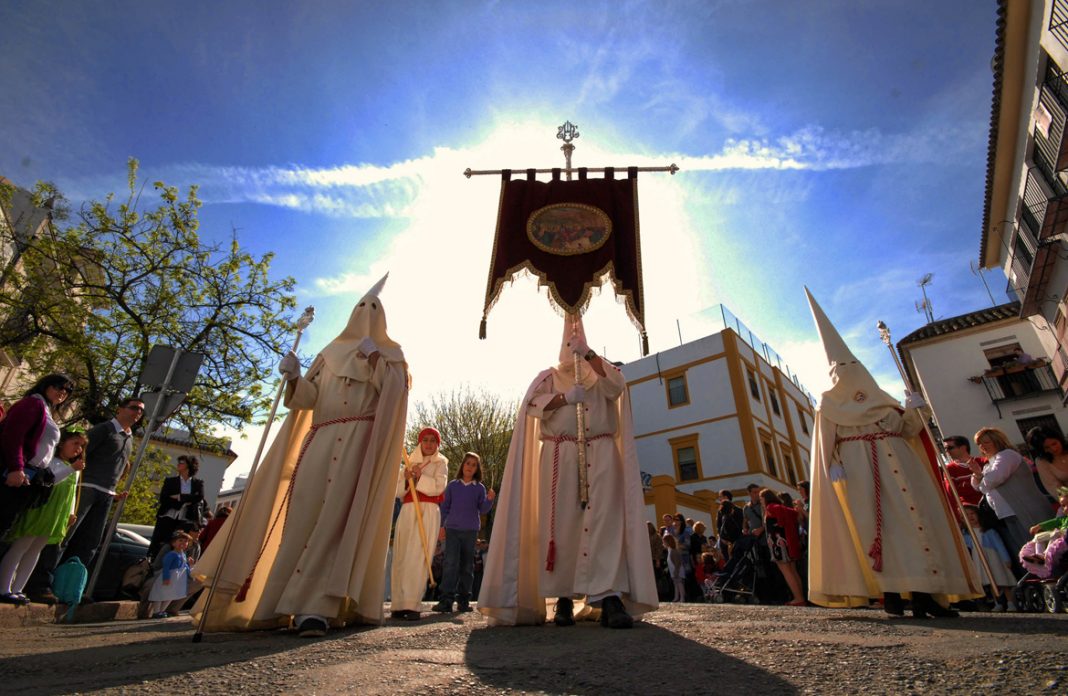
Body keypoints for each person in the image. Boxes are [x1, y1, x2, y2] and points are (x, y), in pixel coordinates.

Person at [192, 275, 409, 637]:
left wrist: (375, 359)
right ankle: (274, 604)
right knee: (301, 521)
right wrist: (294, 377)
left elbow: (394, 396)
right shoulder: (327, 354)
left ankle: (316, 609)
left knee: (335, 524)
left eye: (373, 308)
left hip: (359, 444)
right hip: (320, 440)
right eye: (360, 307)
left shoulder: (391, 355)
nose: (365, 314)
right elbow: (307, 400)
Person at [804, 289, 981, 618]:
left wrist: (917, 409)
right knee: (879, 532)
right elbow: (824, 445)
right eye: (840, 366)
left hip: (903, 467)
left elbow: (909, 431)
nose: (847, 370)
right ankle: (891, 593)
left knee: (918, 525)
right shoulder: (828, 407)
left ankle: (927, 595)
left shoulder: (884, 401)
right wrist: (834, 465)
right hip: (862, 473)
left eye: (852, 363)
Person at [478, 315, 658, 628]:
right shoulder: (547, 376)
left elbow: (618, 386)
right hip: (560, 455)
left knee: (606, 523)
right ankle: (562, 598)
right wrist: (562, 398)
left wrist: (589, 354)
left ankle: (609, 596)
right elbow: (531, 406)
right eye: (570, 343)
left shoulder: (601, 370)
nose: (572, 348)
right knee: (561, 526)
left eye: (578, 342)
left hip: (601, 452)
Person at [0, 428, 86, 605]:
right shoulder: (51, 462)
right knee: (21, 546)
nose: (78, 449)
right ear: (62, 443)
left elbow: (73, 493)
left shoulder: (74, 470)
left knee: (36, 549)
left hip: (56, 514)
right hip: (41, 510)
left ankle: (18, 588)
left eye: (81, 446)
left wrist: (70, 512)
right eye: (75, 443)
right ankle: (4, 588)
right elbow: (50, 481)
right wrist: (71, 469)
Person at [60, 397, 141, 570]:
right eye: (134, 408)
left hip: (107, 494)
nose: (137, 413)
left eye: (141, 411)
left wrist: (115, 490)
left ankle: (71, 585)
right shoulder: (103, 429)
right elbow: (80, 454)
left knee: (90, 542)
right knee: (66, 535)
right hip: (87, 488)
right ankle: (42, 580)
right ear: (120, 409)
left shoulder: (129, 438)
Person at [0, 374, 74, 541]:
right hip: (12, 474)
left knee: (6, 525)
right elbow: (13, 436)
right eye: (58, 386)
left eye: (67, 390)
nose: (62, 392)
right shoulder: (33, 403)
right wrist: (15, 468)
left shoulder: (46, 409)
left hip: (28, 476)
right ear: (46, 385)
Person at [390, 427, 448, 620]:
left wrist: (420, 477)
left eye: (433, 440)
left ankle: (412, 604)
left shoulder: (441, 463)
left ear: (437, 444)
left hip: (428, 510)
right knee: (402, 554)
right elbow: (398, 492)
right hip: (408, 509)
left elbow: (439, 487)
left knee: (418, 555)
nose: (429, 444)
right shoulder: (407, 463)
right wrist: (407, 481)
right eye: (426, 440)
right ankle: (398, 603)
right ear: (420, 442)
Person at [432, 452, 495, 614]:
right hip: (452, 530)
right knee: (450, 564)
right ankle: (446, 600)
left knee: (467, 566)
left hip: (471, 531)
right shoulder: (453, 485)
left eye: (474, 465)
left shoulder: (479, 488)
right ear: (463, 465)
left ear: (477, 469)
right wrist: (441, 527)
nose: (470, 467)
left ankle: (464, 600)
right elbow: (444, 508)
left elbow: (483, 509)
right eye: (468, 463)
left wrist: (489, 499)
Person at [971, 427, 1051, 554]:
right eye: (979, 444)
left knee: (1041, 548)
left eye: (986, 442)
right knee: (1028, 550)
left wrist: (982, 482)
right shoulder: (989, 464)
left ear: (997, 441)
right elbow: (977, 486)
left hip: (1024, 509)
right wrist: (978, 475)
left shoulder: (1007, 455)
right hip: (1007, 513)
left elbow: (994, 479)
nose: (982, 446)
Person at [960, 504, 1016, 612]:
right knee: (991, 582)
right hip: (979, 559)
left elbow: (1000, 546)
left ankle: (1010, 602)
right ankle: (998, 602)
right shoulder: (967, 534)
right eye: (966, 515)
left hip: (993, 558)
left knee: (1002, 579)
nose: (970, 517)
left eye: (972, 514)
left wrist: (1006, 559)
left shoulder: (989, 532)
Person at [148, 455, 206, 560]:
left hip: (184, 520)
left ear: (189, 466)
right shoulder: (170, 481)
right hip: (167, 517)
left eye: (182, 462)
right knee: (159, 543)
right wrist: (185, 501)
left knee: (178, 545)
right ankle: (152, 565)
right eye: (178, 462)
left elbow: (199, 497)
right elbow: (164, 499)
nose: (178, 464)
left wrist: (179, 497)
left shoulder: (197, 483)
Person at [760, 489, 805, 606]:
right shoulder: (781, 506)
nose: (761, 502)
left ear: (765, 498)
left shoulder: (771, 507)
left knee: (787, 572)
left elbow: (778, 522)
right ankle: (801, 597)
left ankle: (798, 598)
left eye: (761, 499)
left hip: (779, 545)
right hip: (788, 542)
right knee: (793, 571)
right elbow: (794, 514)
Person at [148, 531, 192, 619]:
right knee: (160, 594)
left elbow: (185, 566)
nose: (183, 543)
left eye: (185, 541)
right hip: (169, 577)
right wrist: (166, 578)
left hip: (177, 579)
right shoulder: (171, 554)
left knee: (171, 595)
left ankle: (162, 610)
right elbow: (166, 567)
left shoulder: (183, 554)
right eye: (180, 540)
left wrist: (189, 570)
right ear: (174, 543)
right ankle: (156, 611)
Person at [1025, 427, 1068, 500]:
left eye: (1054, 443)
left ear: (1060, 439)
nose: (1053, 449)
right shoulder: (1042, 462)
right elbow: (1055, 487)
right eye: (1047, 447)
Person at [941, 436, 985, 507]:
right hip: (970, 511)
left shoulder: (982, 461)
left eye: (950, 448)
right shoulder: (949, 469)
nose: (947, 451)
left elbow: (993, 483)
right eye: (945, 448)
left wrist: (965, 485)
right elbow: (952, 492)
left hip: (990, 506)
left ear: (963, 448)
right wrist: (980, 483)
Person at [716, 489, 744, 559]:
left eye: (720, 496)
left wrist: (731, 541)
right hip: (724, 542)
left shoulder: (738, 510)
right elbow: (718, 525)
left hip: (736, 542)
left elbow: (741, 526)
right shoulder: (720, 511)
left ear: (725, 497)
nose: (719, 499)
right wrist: (722, 538)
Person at [663, 534, 684, 603]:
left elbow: (677, 563)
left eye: (664, 542)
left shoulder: (673, 551)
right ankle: (676, 597)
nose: (663, 544)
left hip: (677, 571)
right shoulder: (670, 550)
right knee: (676, 584)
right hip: (673, 571)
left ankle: (682, 598)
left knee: (679, 583)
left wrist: (676, 571)